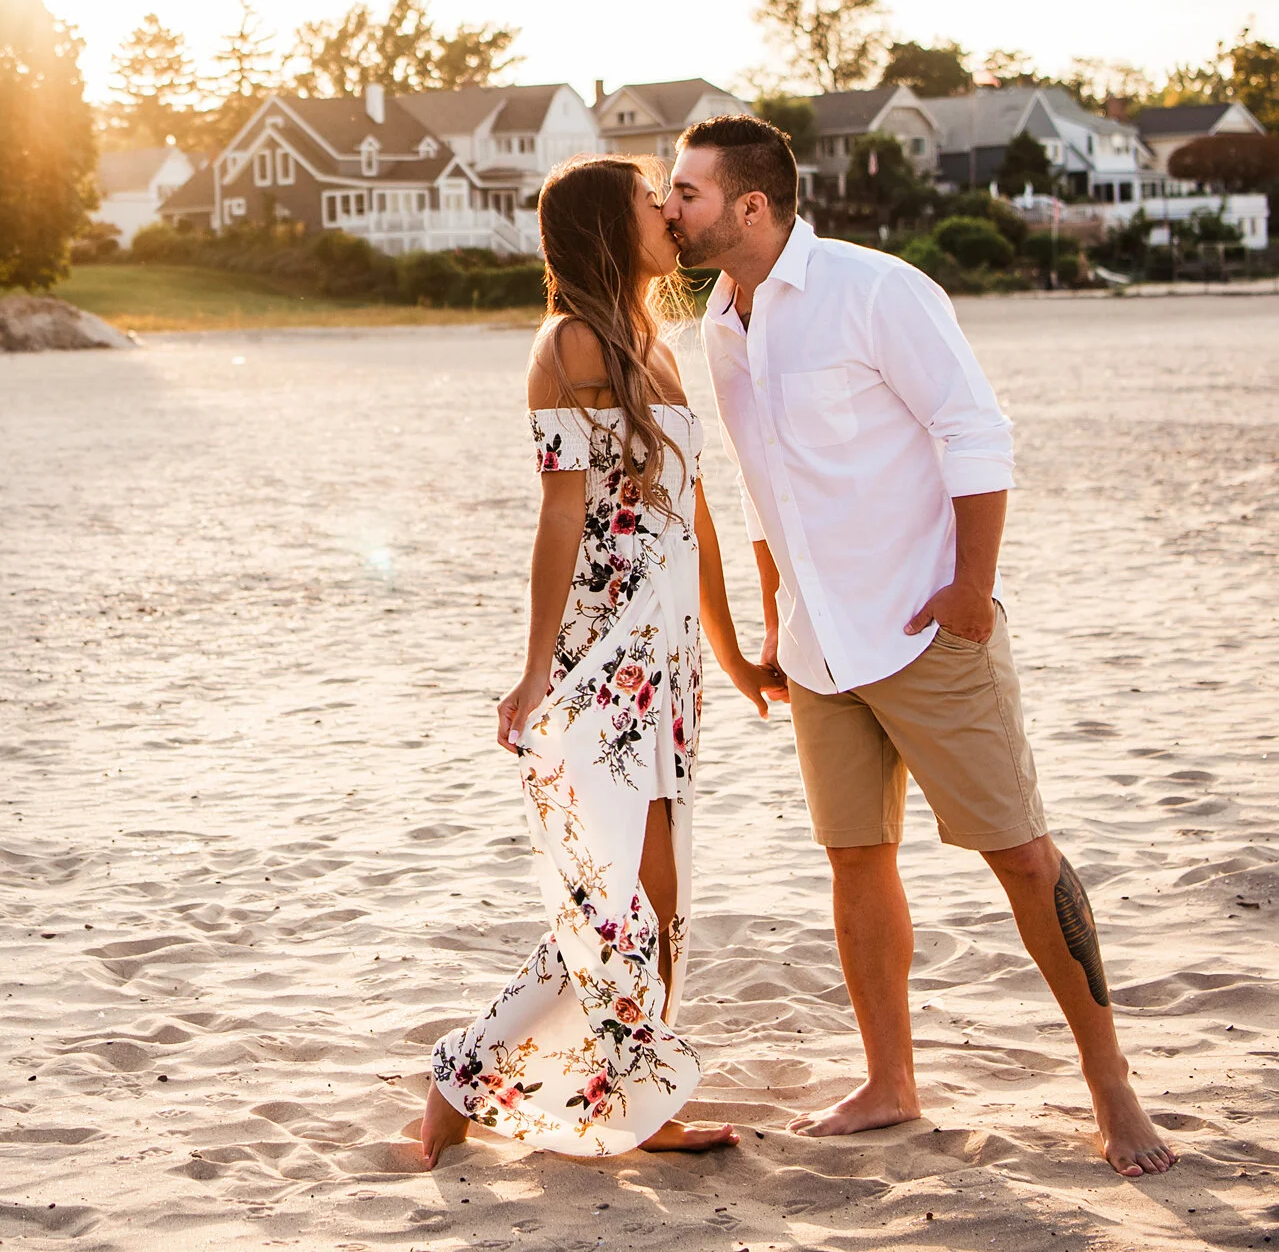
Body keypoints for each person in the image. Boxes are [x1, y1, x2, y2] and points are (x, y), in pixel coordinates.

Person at [663, 114, 1176, 1181]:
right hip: (815, 647)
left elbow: (974, 429)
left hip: (923, 626)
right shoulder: (718, 319)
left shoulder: (874, 290)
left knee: (1020, 854)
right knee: (855, 860)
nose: (669, 209)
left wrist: (972, 589)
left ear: (750, 205)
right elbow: (767, 491)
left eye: (686, 193)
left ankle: (1108, 1083)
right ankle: (890, 1079)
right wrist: (769, 625)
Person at [421, 155, 784, 1166]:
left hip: (669, 667)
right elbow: (559, 512)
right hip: (602, 656)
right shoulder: (569, 341)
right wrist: (534, 666)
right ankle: (611, 1093)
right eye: (648, 202)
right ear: (602, 228)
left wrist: (737, 658)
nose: (668, 214)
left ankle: (482, 1070)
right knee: (613, 900)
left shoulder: (656, 346)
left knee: (656, 903)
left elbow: (695, 521)